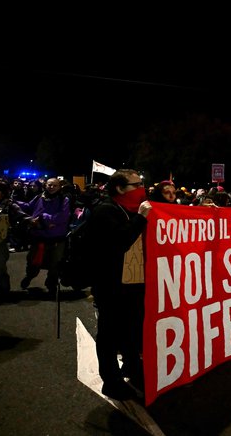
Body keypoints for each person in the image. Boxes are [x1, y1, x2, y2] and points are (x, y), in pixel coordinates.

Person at [88, 169, 152, 400]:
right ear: (120, 188)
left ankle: (132, 368)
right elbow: (120, 241)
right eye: (136, 185)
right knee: (109, 335)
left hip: (133, 283)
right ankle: (111, 382)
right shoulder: (106, 211)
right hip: (111, 286)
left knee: (132, 329)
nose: (141, 189)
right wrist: (142, 217)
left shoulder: (131, 209)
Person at [16, 178, 71, 295]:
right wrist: (14, 203)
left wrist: (44, 217)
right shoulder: (39, 197)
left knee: (55, 264)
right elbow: (28, 207)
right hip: (39, 236)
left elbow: (62, 217)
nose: (51, 187)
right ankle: (29, 276)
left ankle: (51, 285)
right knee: (32, 261)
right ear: (45, 185)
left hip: (56, 238)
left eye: (55, 186)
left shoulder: (64, 200)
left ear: (59, 187)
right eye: (49, 185)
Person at [0, 181, 27, 302]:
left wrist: (31, 221)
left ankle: (3, 293)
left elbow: (21, 214)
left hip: (0, 239)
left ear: (2, 192)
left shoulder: (9, 204)